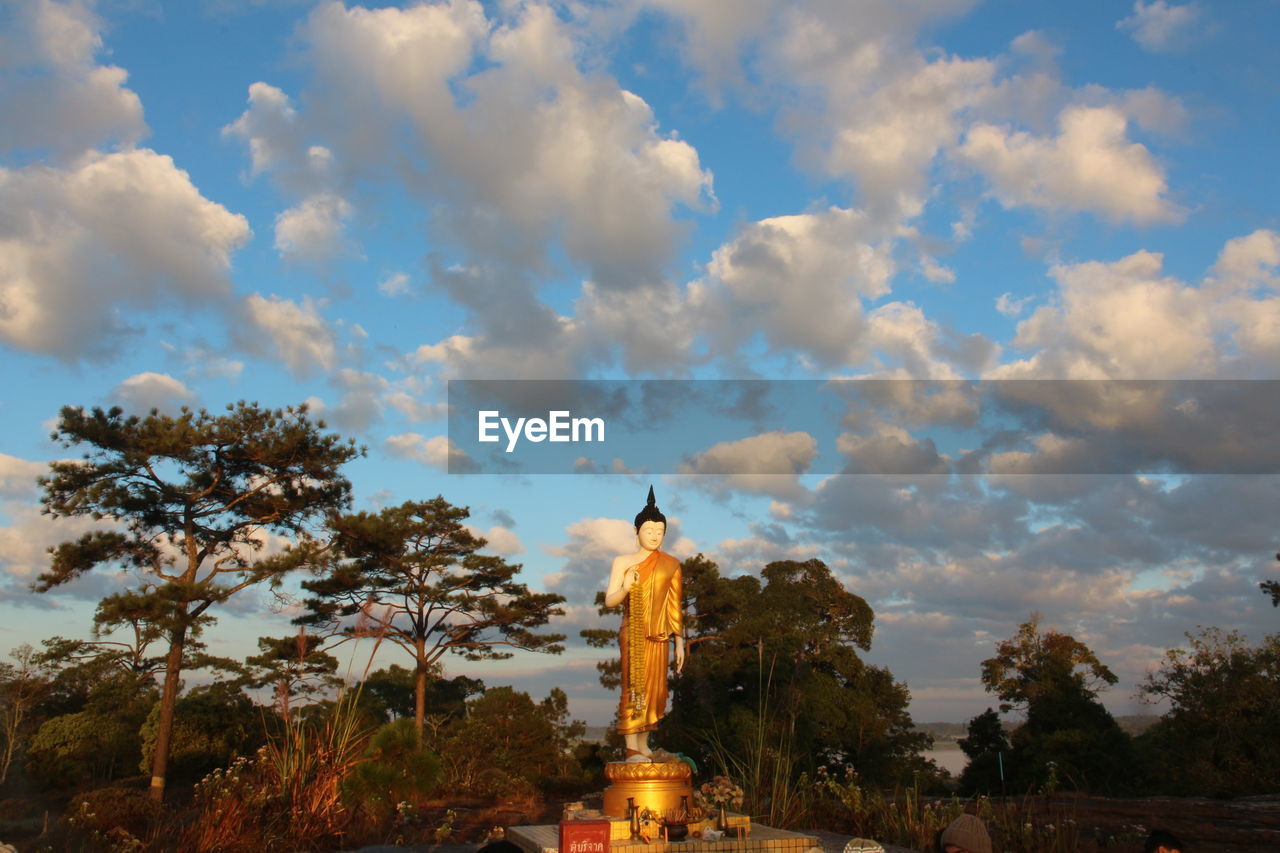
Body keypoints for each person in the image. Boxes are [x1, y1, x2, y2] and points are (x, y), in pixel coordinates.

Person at [604, 486, 685, 761]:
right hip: (634, 631)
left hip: (660, 635)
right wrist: (625, 586)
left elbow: (674, 606)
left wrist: (680, 642)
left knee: (655, 692)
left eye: (659, 532)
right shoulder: (623, 562)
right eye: (649, 530)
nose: (654, 536)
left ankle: (643, 744)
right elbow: (610, 601)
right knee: (634, 686)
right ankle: (630, 746)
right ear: (637, 531)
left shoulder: (671, 564)